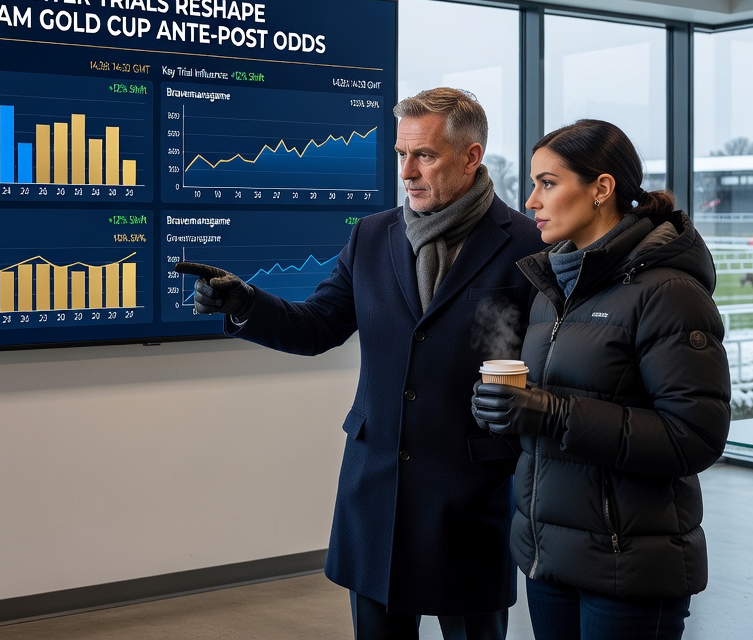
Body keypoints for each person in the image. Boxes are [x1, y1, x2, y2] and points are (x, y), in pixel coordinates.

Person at [176, 87, 543, 640]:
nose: (407, 171)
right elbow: (318, 325)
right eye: (401, 154)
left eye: (425, 155)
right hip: (377, 492)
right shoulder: (372, 236)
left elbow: (544, 359)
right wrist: (245, 303)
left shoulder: (527, 244)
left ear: (472, 156)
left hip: (471, 492)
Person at [471, 119, 731, 640]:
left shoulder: (668, 294)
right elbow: (553, 416)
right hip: (548, 557)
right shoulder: (552, 290)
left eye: (548, 183)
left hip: (628, 566)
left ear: (601, 188)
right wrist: (511, 414)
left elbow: (695, 437)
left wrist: (554, 414)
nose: (531, 201)